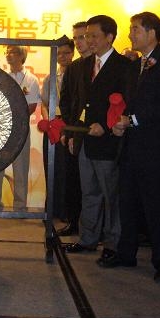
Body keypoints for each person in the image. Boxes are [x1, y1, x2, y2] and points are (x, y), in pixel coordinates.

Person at [109, 12, 160, 283]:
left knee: (158, 208)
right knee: (128, 204)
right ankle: (126, 253)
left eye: (135, 29)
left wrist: (133, 120)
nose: (130, 34)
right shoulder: (134, 66)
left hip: (157, 150)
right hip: (131, 148)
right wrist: (120, 123)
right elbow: (129, 104)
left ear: (151, 33)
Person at [64, 15, 130, 262]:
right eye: (86, 36)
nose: (89, 40)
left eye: (94, 36)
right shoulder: (83, 66)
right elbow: (77, 103)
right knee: (89, 192)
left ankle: (113, 243)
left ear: (109, 37)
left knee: (111, 195)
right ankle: (88, 239)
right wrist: (73, 133)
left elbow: (127, 102)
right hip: (85, 139)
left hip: (109, 141)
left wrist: (106, 125)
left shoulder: (124, 66)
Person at [0, 45, 41, 210]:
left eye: (13, 52)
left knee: (21, 166)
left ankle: (20, 205)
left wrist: (14, 116)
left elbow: (31, 106)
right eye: (7, 52)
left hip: (21, 127)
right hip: (1, 127)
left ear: (21, 56)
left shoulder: (31, 79)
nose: (9, 55)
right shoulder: (2, 77)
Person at [57, 21, 91, 235]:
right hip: (75, 133)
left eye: (83, 37)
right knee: (73, 180)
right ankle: (74, 222)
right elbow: (66, 102)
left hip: (99, 133)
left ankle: (95, 227)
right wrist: (69, 132)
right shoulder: (74, 67)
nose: (79, 42)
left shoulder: (106, 65)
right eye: (76, 38)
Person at [40, 39, 74, 219]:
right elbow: (44, 104)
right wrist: (49, 122)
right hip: (53, 125)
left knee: (68, 169)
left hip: (69, 125)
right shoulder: (50, 77)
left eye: (66, 53)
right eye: (59, 53)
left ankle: (68, 211)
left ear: (73, 53)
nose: (62, 56)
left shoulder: (78, 74)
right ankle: (53, 209)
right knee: (52, 167)